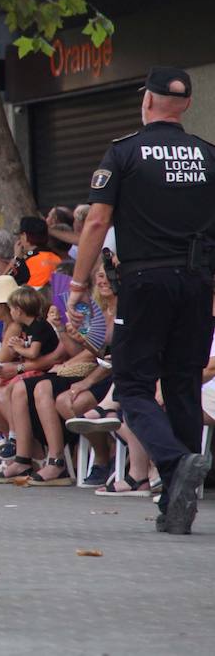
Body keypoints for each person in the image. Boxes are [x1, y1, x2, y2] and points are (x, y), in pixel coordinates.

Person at [69, 66, 215, 535]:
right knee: (183, 384)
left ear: (147, 101)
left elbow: (95, 223)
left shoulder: (125, 152)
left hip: (145, 282)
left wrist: (76, 286)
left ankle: (175, 462)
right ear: (187, 104)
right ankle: (178, 501)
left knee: (132, 387)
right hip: (197, 283)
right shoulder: (209, 156)